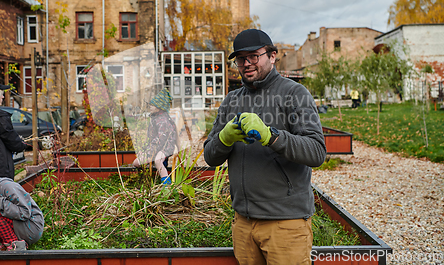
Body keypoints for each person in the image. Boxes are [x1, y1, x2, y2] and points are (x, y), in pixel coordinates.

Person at [204, 29, 327, 265]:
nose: (247, 63)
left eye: (254, 56)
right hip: (243, 224)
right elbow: (210, 156)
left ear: (272, 56)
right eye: (241, 59)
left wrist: (271, 136)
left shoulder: (295, 94)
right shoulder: (232, 100)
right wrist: (225, 138)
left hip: (285, 224)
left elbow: (316, 151)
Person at [132, 88, 177, 185]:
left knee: (157, 160)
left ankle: (166, 184)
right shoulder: (154, 118)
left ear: (159, 107)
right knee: (136, 163)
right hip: (155, 147)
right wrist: (144, 149)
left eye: (152, 105)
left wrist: (149, 152)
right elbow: (151, 138)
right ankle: (147, 180)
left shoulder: (163, 120)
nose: (150, 107)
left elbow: (161, 140)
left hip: (166, 147)